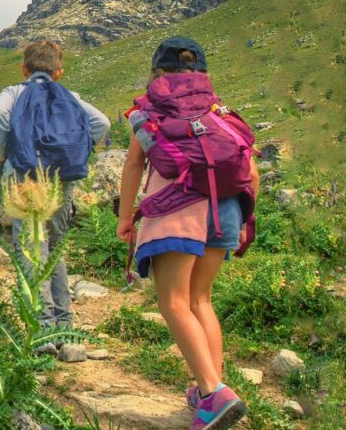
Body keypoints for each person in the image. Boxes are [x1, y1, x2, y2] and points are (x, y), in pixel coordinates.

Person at [117, 37, 257, 430]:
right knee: (201, 300)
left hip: (176, 210)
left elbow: (133, 165)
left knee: (174, 303)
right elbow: (251, 170)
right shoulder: (219, 112)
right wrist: (246, 220)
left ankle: (213, 393)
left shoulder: (148, 111)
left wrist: (125, 217)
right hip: (226, 209)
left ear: (157, 71)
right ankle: (209, 388)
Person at [0, 39, 110, 332]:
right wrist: (80, 150)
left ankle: (41, 326)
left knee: (31, 245)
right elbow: (102, 123)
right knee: (54, 246)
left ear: (24, 68)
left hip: (25, 177)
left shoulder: (15, 92)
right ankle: (63, 324)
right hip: (60, 178)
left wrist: (8, 152)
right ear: (59, 72)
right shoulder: (69, 95)